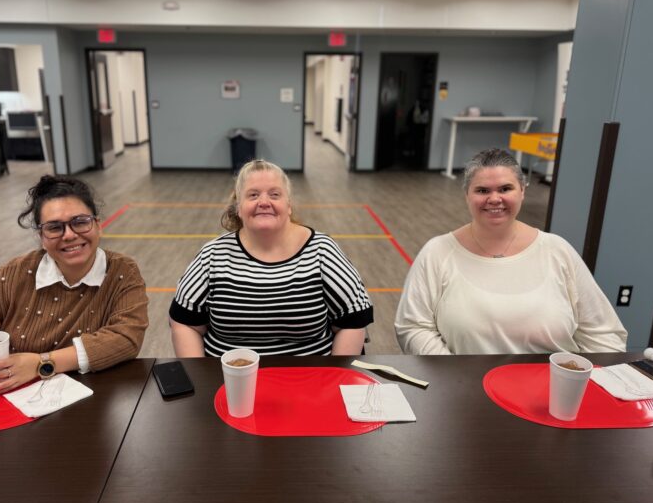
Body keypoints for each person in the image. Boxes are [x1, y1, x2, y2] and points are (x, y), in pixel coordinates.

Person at [0, 175, 149, 395]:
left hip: (92, 402)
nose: (69, 235)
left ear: (98, 225)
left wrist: (41, 364)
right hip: (12, 401)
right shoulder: (14, 274)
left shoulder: (122, 271)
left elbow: (126, 337)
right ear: (41, 236)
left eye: (80, 222)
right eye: (54, 227)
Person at [395, 148, 627, 355]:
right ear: (467, 195)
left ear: (522, 191)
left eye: (505, 188)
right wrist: (452, 373)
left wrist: (588, 384)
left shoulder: (557, 250)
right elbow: (413, 327)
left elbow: (604, 334)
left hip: (552, 393)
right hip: (465, 389)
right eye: (482, 190)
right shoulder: (437, 252)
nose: (494, 199)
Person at [170, 159, 373, 357]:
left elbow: (353, 320)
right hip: (228, 382)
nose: (264, 202)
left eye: (275, 195)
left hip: (309, 382)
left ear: (289, 206)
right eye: (253, 195)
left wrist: (333, 379)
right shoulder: (213, 255)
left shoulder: (322, 251)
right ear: (239, 207)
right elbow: (184, 322)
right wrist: (199, 379)